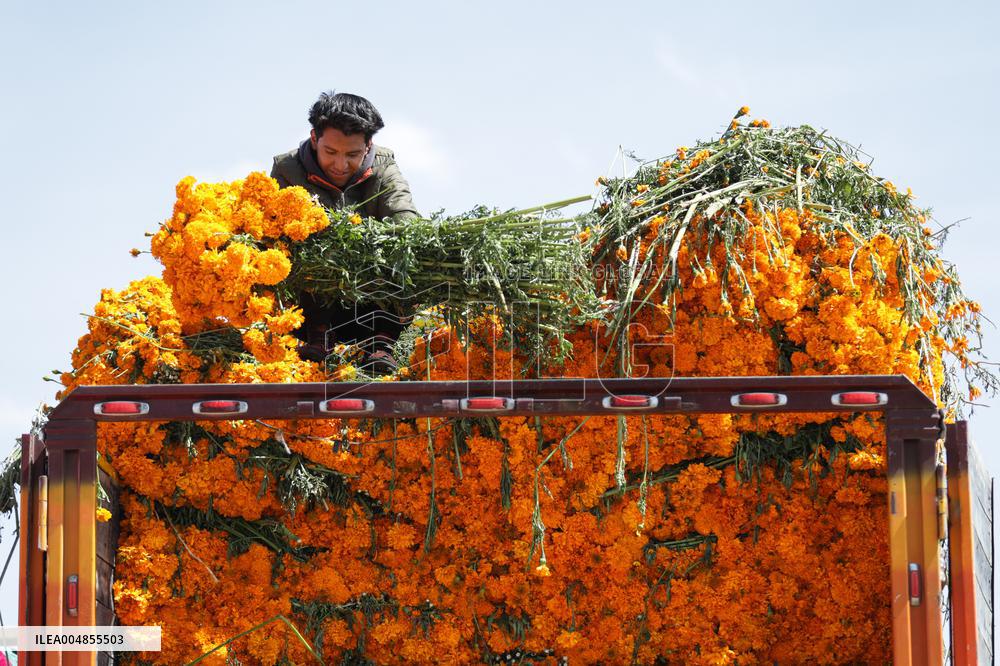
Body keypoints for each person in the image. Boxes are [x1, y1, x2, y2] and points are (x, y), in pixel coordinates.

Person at [271, 92, 419, 369]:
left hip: (371, 301)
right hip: (313, 304)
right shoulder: (286, 170)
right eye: (330, 153)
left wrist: (372, 244)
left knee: (412, 251)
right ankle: (319, 338)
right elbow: (273, 231)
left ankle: (381, 344)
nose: (341, 165)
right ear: (315, 139)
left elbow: (405, 218)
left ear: (368, 145)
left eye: (352, 154)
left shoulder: (384, 165)